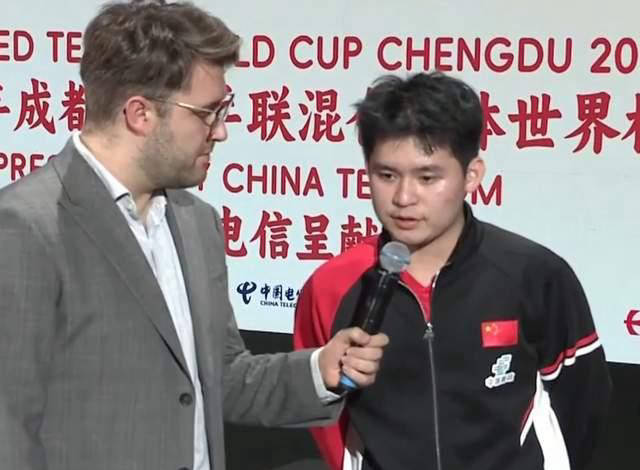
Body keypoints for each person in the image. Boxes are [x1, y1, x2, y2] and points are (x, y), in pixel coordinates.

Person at [0, 2, 388, 470]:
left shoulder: (195, 222)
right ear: (140, 114)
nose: (221, 131)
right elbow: (8, 427)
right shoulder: (27, 226)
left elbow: (221, 378)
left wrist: (320, 370)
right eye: (207, 112)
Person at [293, 71, 612, 470]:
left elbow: (583, 402)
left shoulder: (534, 274)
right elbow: (322, 412)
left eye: (427, 177)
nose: (403, 197)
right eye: (386, 175)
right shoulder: (331, 286)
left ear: (471, 175)